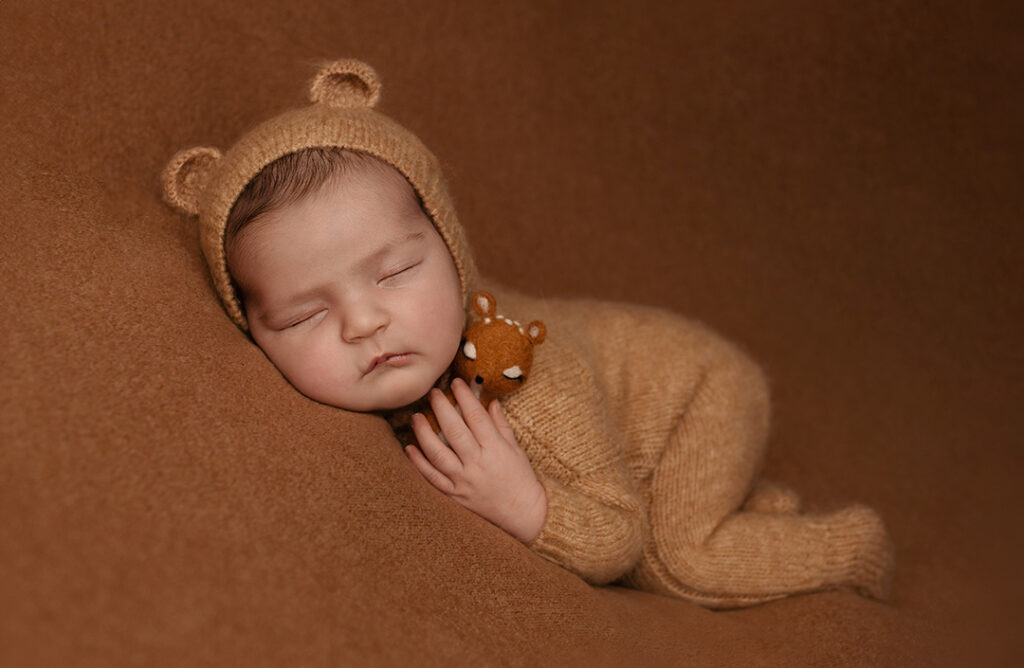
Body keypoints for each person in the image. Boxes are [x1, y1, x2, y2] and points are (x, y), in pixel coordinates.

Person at [163, 59, 893, 608]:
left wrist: (523, 503)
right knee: (666, 505)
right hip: (629, 426)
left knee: (678, 560)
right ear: (249, 325)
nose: (363, 322)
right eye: (303, 316)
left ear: (451, 248)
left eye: (394, 273)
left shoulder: (529, 381)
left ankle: (851, 545)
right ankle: (744, 504)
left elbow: (616, 538)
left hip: (697, 391)